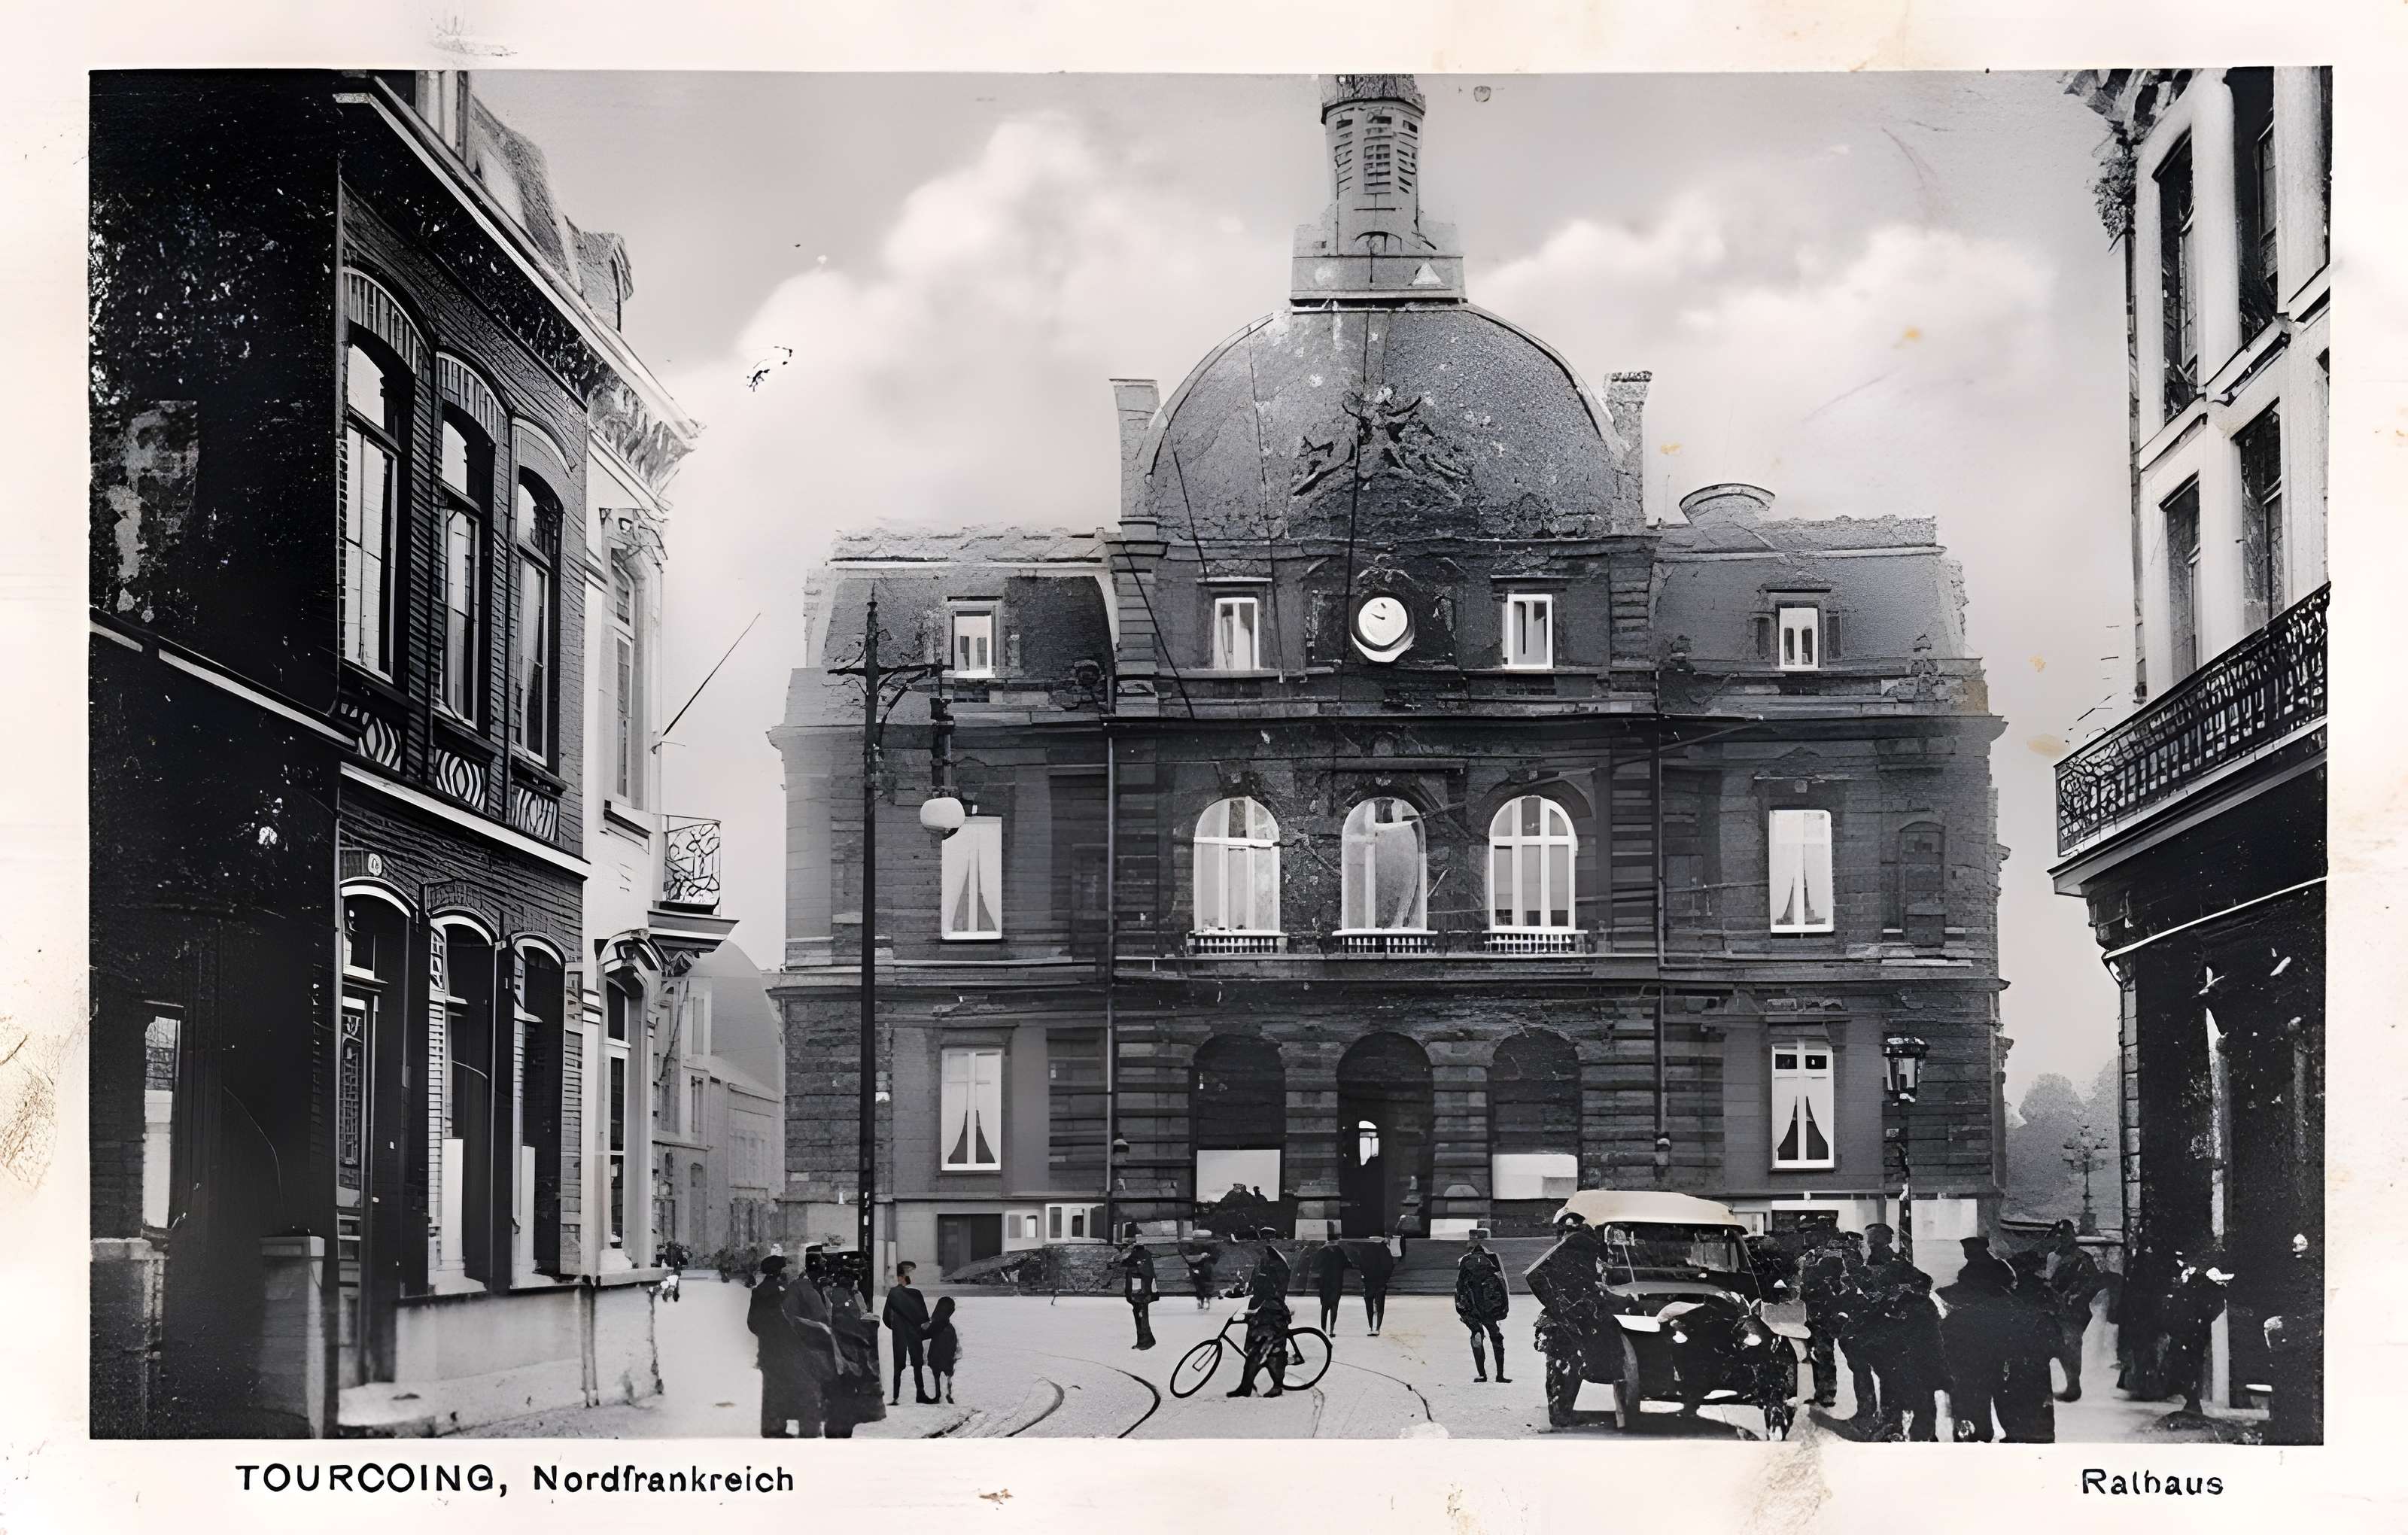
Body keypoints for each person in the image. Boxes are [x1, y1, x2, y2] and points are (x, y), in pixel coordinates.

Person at [1937, 1253, 2016, 1442]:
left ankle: (1969, 1435)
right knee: (1982, 1406)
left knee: (1967, 1406)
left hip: (1964, 1366)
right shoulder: (2003, 1303)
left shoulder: (1953, 1306)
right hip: (1986, 1365)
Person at [2261, 1232, 2322, 1445]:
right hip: (2291, 1333)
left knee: (2300, 1388)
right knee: (2287, 1385)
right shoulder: (2291, 1273)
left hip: (2304, 1335)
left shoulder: (2311, 1275)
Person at [1996, 1250, 2059, 1442]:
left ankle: (2018, 1433)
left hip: (2020, 1354)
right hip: (2036, 1355)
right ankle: (2040, 1432)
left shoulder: (2012, 1296)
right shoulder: (2044, 1293)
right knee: (2037, 1394)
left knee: (2015, 1394)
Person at [2160, 1252, 2230, 1416]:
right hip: (2184, 1328)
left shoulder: (2204, 1283)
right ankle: (2190, 1398)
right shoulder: (2186, 1280)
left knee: (2192, 1363)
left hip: (2195, 1330)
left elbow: (2213, 1306)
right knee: (2181, 1362)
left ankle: (2193, 1400)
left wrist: (2201, 1321)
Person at [2042, 1219, 2104, 1402]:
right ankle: (2047, 1387)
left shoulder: (2083, 1258)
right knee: (2051, 1346)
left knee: (2071, 1348)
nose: (2062, 1238)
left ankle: (2073, 1387)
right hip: (2053, 1309)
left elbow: (2095, 1283)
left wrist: (2076, 1295)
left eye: (2066, 1235)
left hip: (2074, 1312)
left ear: (2073, 1236)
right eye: (2059, 1235)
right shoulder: (2052, 1256)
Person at [821, 1264, 885, 1436]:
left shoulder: (852, 1294)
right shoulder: (836, 1294)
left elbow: (860, 1313)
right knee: (846, 1384)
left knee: (846, 1384)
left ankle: (842, 1423)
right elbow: (835, 1315)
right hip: (842, 1342)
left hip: (848, 1343)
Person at [1229, 1229, 1293, 1398]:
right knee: (1254, 1350)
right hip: (1261, 1307)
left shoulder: (1273, 1260)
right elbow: (1255, 1283)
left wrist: (1260, 1306)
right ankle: (1245, 1386)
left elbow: (1275, 1288)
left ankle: (1277, 1386)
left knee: (1274, 1350)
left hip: (1272, 1309)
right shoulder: (1263, 1258)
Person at [1798, 1230, 1857, 1409]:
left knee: (1827, 1355)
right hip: (1816, 1315)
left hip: (1829, 1315)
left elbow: (1844, 1286)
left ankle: (1827, 1393)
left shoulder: (1835, 1261)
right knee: (1819, 1355)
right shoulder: (1808, 1261)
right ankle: (1823, 1393)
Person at [1455, 1227, 1513, 1384]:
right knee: (1496, 1337)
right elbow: (1503, 1284)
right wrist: (1503, 1309)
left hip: (1472, 1306)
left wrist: (1462, 1311)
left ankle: (1482, 1375)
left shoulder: (1465, 1260)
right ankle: (1500, 1375)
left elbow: (1459, 1287)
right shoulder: (1493, 1257)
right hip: (1490, 1306)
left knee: (1476, 1334)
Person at [882, 1260, 935, 1405]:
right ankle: (920, 1394)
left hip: (899, 1333)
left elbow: (886, 1317)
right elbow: (924, 1318)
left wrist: (896, 1327)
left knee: (898, 1364)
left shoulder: (893, 1293)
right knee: (917, 1364)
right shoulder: (916, 1294)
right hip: (914, 1333)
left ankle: (895, 1396)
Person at [1117, 1230, 1159, 1350]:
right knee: (1142, 1316)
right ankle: (1146, 1340)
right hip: (1144, 1293)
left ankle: (1145, 1342)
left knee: (1141, 1317)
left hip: (1138, 1294)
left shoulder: (1137, 1256)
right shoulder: (1147, 1257)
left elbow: (1125, 1263)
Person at [1354, 1230, 1396, 1336]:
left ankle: (1371, 1326)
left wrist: (1364, 1276)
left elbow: (1361, 1264)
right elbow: (1389, 1267)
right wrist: (1385, 1279)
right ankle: (1377, 1328)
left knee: (1369, 1306)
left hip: (1368, 1282)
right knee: (1379, 1306)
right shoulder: (1385, 1250)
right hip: (1381, 1282)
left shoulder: (1365, 1250)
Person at [925, 1294, 962, 1406]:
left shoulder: (937, 1324)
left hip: (937, 1354)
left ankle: (938, 1396)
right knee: (948, 1375)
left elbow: (926, 1333)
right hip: (947, 1354)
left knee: (937, 1375)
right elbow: (954, 1343)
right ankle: (949, 1395)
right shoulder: (950, 1327)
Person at [1311, 1236, 1351, 1334]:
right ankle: (1332, 1329)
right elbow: (1347, 1264)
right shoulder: (1339, 1251)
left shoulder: (1322, 1251)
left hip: (1325, 1282)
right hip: (1337, 1281)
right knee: (1334, 1305)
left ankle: (1323, 1329)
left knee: (1325, 1306)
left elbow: (1315, 1265)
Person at [1182, 1240, 1219, 1310]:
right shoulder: (1197, 1251)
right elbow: (1190, 1261)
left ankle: (1204, 1301)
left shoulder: (1209, 1259)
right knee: (1201, 1287)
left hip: (1204, 1272)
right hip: (1199, 1271)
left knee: (1204, 1287)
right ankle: (1202, 1301)